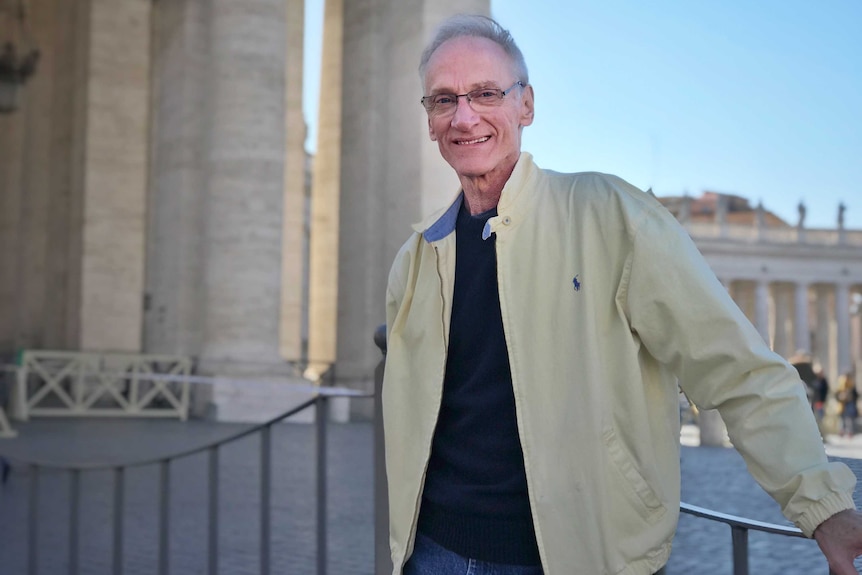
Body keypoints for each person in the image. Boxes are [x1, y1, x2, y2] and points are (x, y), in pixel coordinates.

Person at [382, 14, 862, 575]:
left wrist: (824, 507)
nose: (465, 116)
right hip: (434, 554)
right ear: (430, 120)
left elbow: (736, 368)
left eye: (485, 93)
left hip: (584, 557)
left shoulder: (613, 216)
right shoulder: (414, 262)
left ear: (526, 105)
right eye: (444, 100)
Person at [837, 373, 859, 438]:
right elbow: (836, 395)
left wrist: (851, 397)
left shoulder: (851, 387)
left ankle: (850, 432)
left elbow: (856, 395)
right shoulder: (840, 387)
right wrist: (841, 397)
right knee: (842, 419)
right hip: (842, 406)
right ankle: (842, 431)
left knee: (849, 419)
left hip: (850, 405)